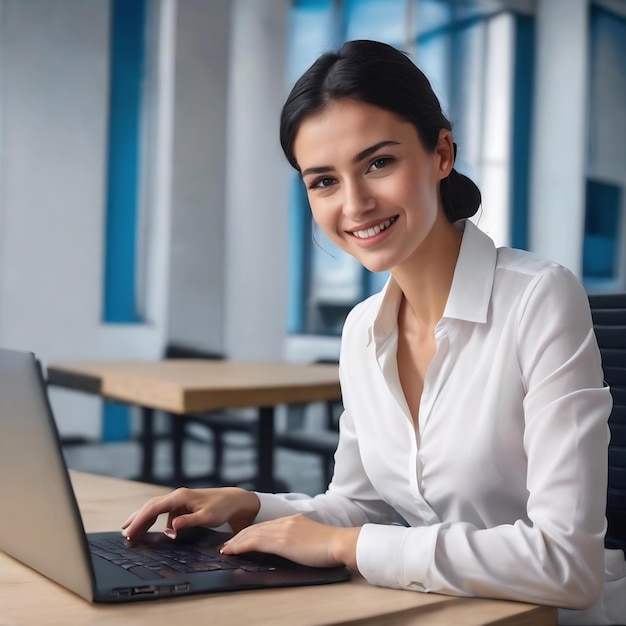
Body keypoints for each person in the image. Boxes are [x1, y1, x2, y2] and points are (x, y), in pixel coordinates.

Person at [122, 40, 626, 624]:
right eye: (324, 181)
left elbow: (567, 562)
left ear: (441, 153)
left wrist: (343, 547)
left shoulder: (539, 297)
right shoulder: (363, 327)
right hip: (435, 605)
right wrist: (251, 507)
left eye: (378, 163)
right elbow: (366, 505)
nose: (355, 203)